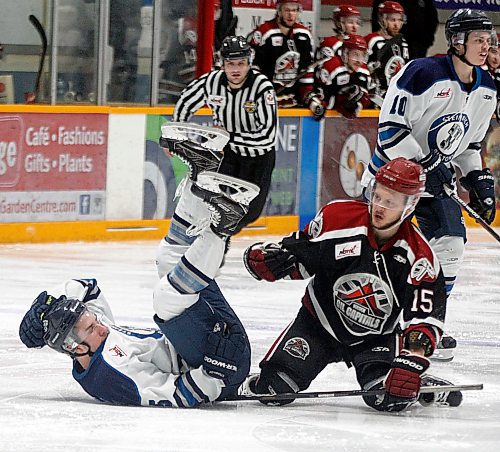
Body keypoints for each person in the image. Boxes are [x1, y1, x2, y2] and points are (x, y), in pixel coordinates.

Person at [18, 167, 258, 408]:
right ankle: (222, 228)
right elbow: (177, 395)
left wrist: (46, 305)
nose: (101, 326)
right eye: (91, 327)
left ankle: (200, 173)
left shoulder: (90, 338)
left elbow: (87, 289)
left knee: (167, 258)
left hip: (204, 343)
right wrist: (214, 376)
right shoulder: (109, 377)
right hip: (220, 363)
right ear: (76, 347)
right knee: (166, 298)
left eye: (93, 320)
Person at [242, 158, 462, 412]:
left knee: (387, 397)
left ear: (409, 205)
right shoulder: (338, 218)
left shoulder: (420, 257)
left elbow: (424, 318)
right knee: (273, 390)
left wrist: (412, 362)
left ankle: (419, 386)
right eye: (378, 197)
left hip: (375, 337)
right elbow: (299, 258)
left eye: (390, 202)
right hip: (318, 324)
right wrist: (267, 261)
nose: (379, 207)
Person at [361, 9, 497, 360]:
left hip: (436, 184)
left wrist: (478, 179)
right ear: (457, 41)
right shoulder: (422, 73)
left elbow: (468, 147)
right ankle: (372, 319)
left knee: (451, 244)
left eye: (489, 40)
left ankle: (426, 323)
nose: (486, 46)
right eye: (478, 39)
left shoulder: (486, 89)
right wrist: (427, 161)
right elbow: (390, 130)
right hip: (391, 179)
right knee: (384, 255)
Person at [160, 35, 277, 236]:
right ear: (221, 63)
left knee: (248, 214)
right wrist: (175, 134)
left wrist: (227, 137)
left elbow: (267, 135)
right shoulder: (212, 81)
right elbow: (186, 101)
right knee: (218, 208)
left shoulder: (262, 87)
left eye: (241, 63)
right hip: (226, 154)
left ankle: (216, 242)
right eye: (230, 64)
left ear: (249, 63)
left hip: (258, 159)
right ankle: (209, 250)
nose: (236, 69)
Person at [247, 0, 324, 118]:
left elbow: (306, 73)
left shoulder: (304, 34)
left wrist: (310, 99)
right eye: (287, 10)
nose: (291, 14)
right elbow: (253, 69)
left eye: (294, 10)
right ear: (279, 10)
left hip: (293, 103)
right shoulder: (264, 32)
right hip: (266, 102)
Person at [315, 34, 372, 119]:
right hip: (325, 119)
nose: (359, 61)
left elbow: (365, 101)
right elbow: (322, 100)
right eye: (355, 54)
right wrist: (342, 102)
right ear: (345, 53)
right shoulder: (331, 67)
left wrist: (358, 104)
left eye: (362, 55)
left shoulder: (364, 72)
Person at [365, 1, 410, 98]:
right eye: (392, 20)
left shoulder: (403, 42)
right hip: (376, 96)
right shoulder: (372, 40)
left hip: (396, 94)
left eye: (399, 20)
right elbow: (363, 69)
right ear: (382, 20)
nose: (396, 24)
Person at [371, 0, 438, 60]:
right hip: (389, 45)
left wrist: (425, 42)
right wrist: (380, 39)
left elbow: (432, 20)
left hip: (417, 48)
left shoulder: (425, 2)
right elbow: (376, 20)